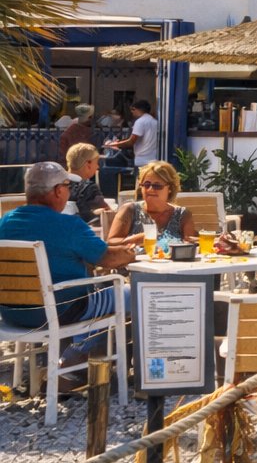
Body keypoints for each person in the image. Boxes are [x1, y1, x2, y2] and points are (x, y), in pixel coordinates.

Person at [0, 163, 137, 390]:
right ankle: (78, 357)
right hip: (57, 312)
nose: (69, 191)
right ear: (57, 191)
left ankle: (74, 367)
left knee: (92, 295)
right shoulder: (68, 225)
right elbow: (109, 259)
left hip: (11, 315)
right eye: (67, 186)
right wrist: (132, 254)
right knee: (129, 293)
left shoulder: (4, 222)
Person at [108, 161, 191, 243]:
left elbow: (191, 243)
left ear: (170, 188)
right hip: (135, 256)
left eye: (157, 186)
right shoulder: (130, 210)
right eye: (147, 185)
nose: (150, 189)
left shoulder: (182, 215)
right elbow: (111, 242)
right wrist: (134, 240)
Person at [65, 142, 111, 223]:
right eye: (96, 163)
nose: (98, 167)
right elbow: (107, 211)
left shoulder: (56, 184)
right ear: (88, 164)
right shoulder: (90, 188)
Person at [105, 99, 158, 167]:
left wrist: (113, 144)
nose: (131, 113)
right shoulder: (154, 121)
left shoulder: (140, 122)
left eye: (132, 110)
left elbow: (131, 142)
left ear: (135, 109)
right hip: (153, 160)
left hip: (141, 161)